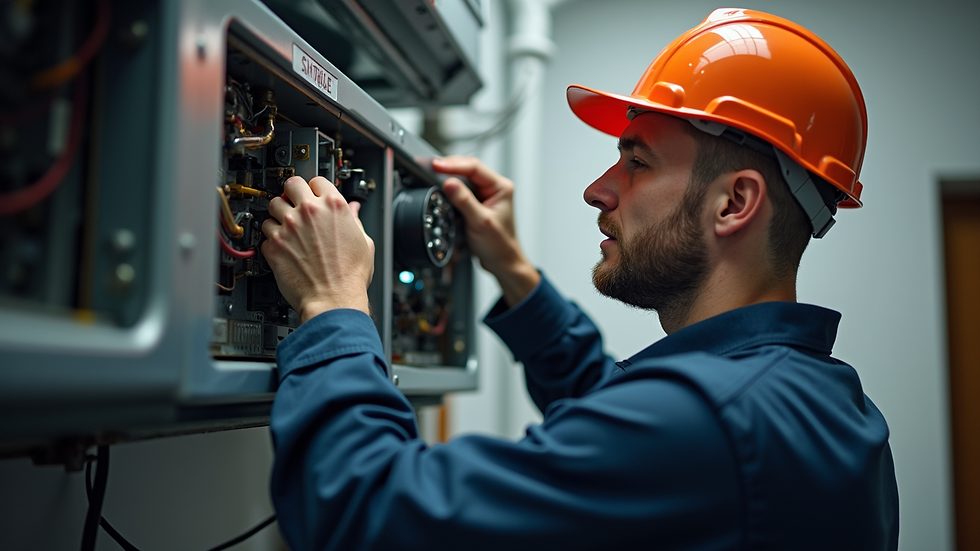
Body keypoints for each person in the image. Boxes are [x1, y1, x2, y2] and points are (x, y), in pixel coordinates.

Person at [260, 8, 899, 551]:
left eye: (639, 162)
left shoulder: (709, 421)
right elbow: (612, 403)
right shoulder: (819, 401)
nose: (598, 190)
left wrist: (334, 303)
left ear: (734, 203)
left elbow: (362, 512)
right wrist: (511, 268)